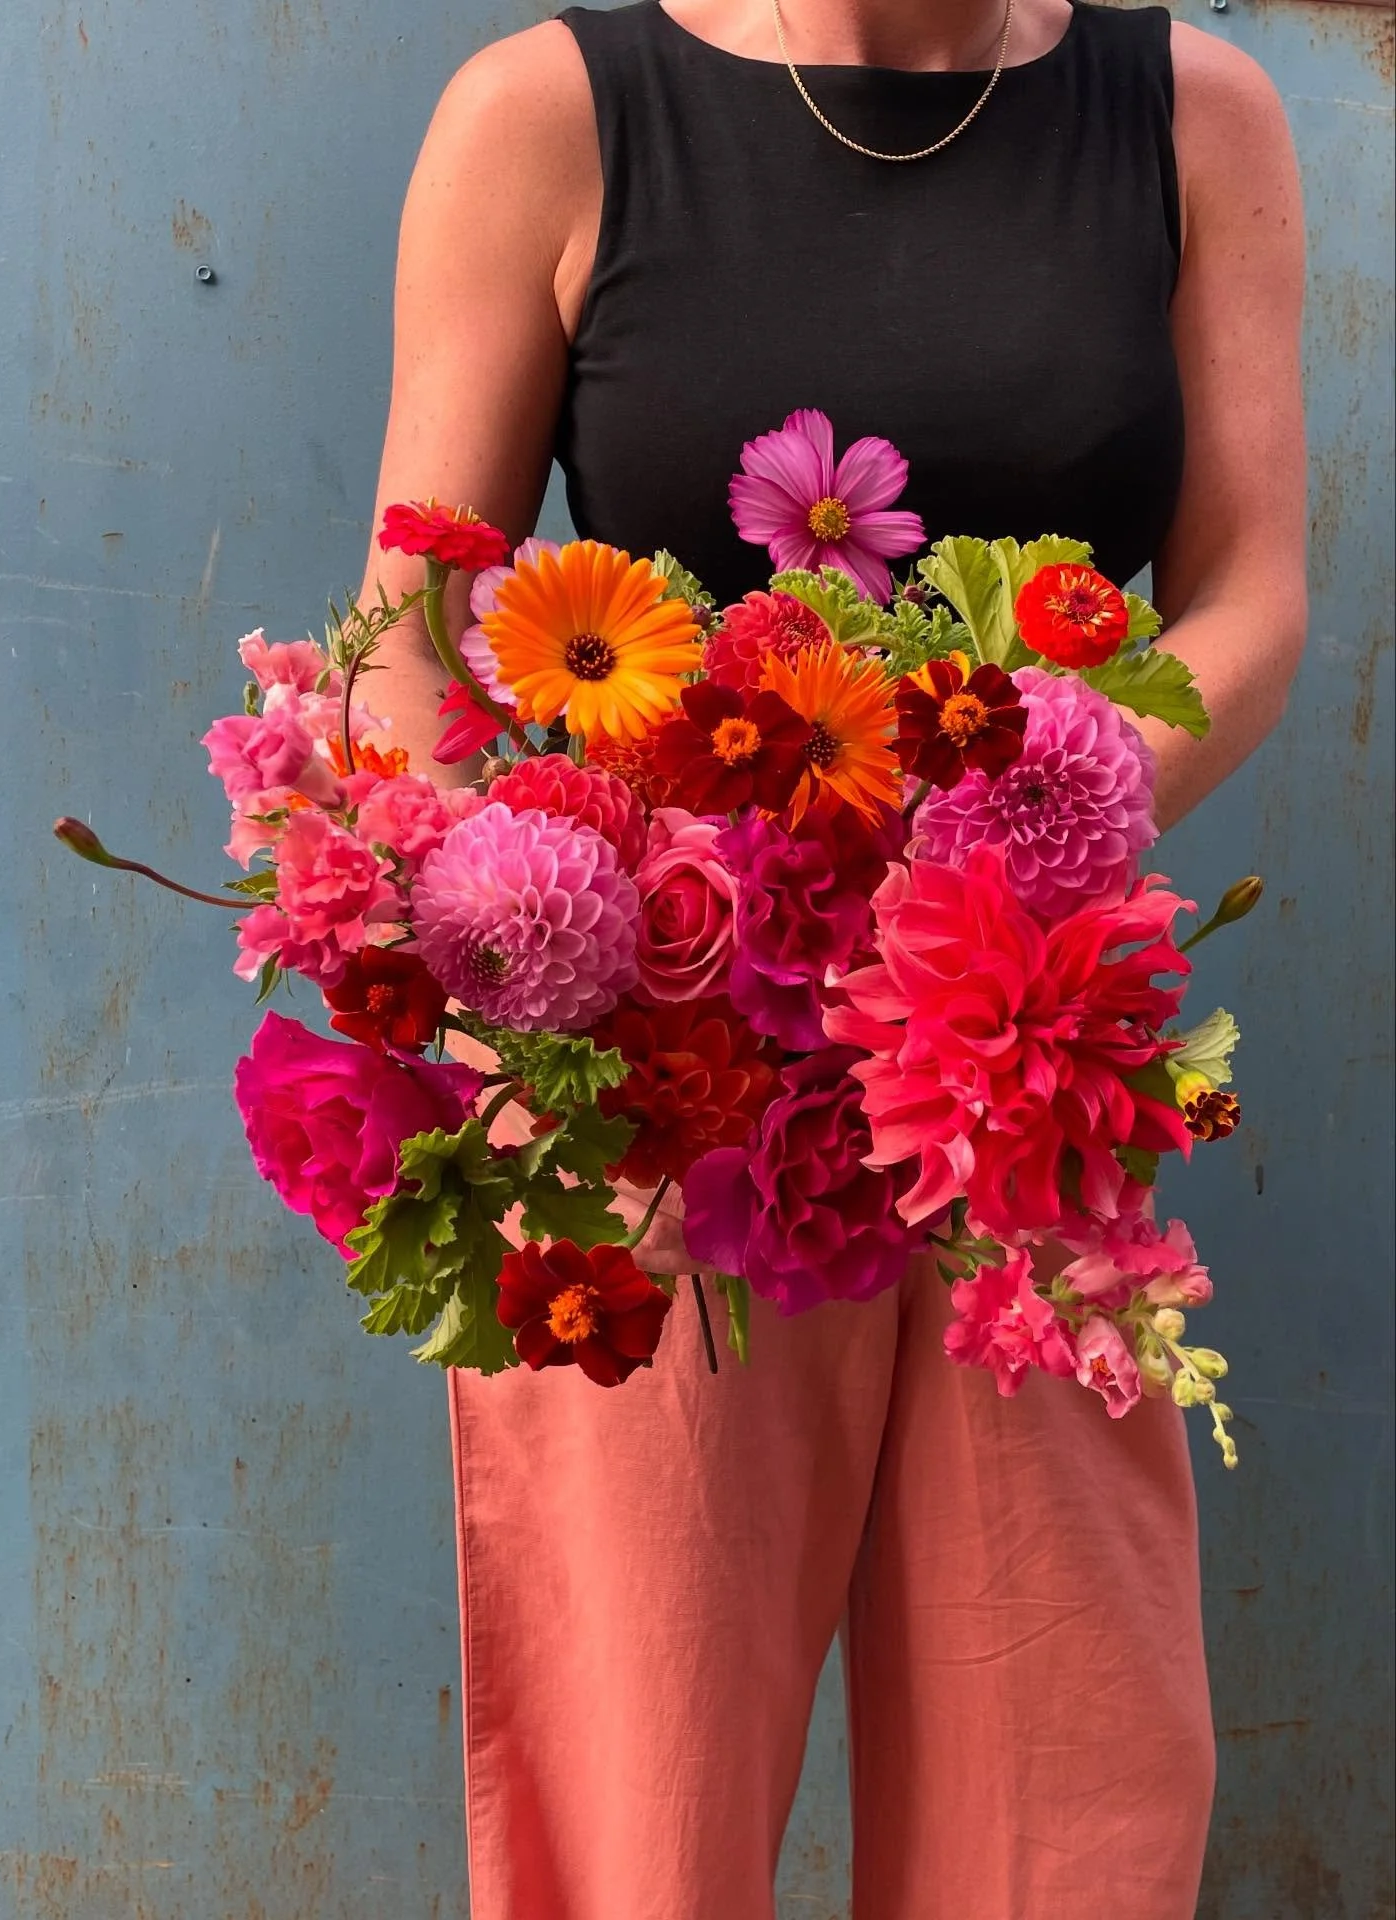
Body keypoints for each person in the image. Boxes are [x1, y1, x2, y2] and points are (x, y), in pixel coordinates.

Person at [355, 1, 1306, 1913]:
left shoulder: (1192, 116)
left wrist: (1050, 807)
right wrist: (536, 929)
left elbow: (1252, 579)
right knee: (636, 1802)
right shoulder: (551, 117)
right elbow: (407, 621)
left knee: (1062, 1800)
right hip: (659, 1092)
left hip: (1017, 1056)